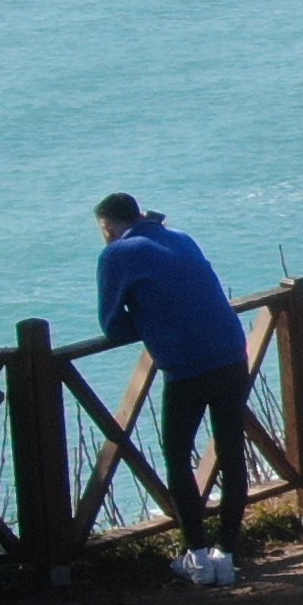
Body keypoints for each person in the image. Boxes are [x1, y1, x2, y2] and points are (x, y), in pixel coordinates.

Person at [91, 193, 252, 584]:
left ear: (108, 227)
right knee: (232, 453)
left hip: (187, 367)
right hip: (232, 353)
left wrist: (149, 322)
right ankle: (226, 556)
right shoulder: (180, 237)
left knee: (177, 456)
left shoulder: (116, 255)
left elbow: (112, 326)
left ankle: (196, 556)